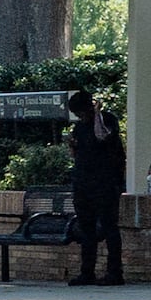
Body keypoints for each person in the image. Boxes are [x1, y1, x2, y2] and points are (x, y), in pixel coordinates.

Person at [62, 87, 126, 286]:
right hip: (84, 182)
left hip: (106, 182)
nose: (81, 117)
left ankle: (115, 272)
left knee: (109, 227)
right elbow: (76, 153)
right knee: (86, 228)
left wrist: (97, 113)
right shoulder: (80, 127)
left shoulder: (107, 119)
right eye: (78, 114)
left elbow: (102, 137)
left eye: (83, 112)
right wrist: (72, 145)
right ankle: (87, 272)